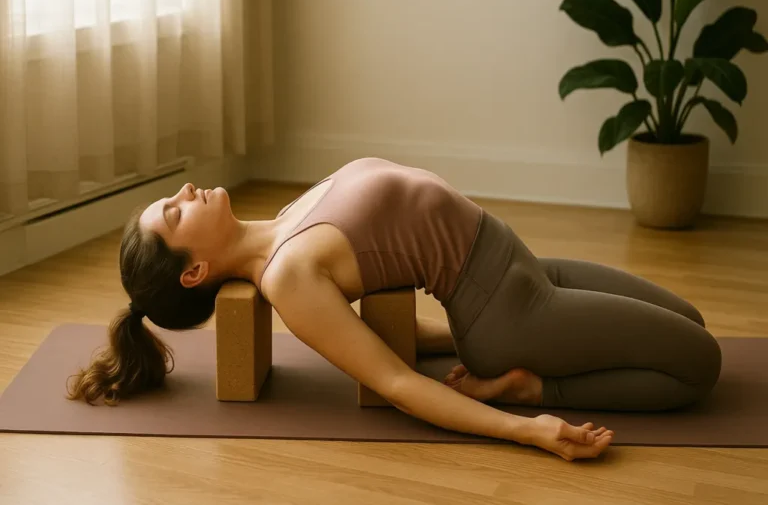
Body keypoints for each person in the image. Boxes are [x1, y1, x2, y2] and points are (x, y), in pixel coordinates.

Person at [67, 157, 722, 461]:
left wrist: (452, 348)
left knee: (687, 322)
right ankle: (532, 385)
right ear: (195, 270)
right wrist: (531, 428)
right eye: (175, 213)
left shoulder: (285, 220)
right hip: (514, 310)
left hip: (522, 264)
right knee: (701, 364)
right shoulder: (288, 276)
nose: (184, 192)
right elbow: (395, 382)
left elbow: (399, 333)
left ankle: (523, 373)